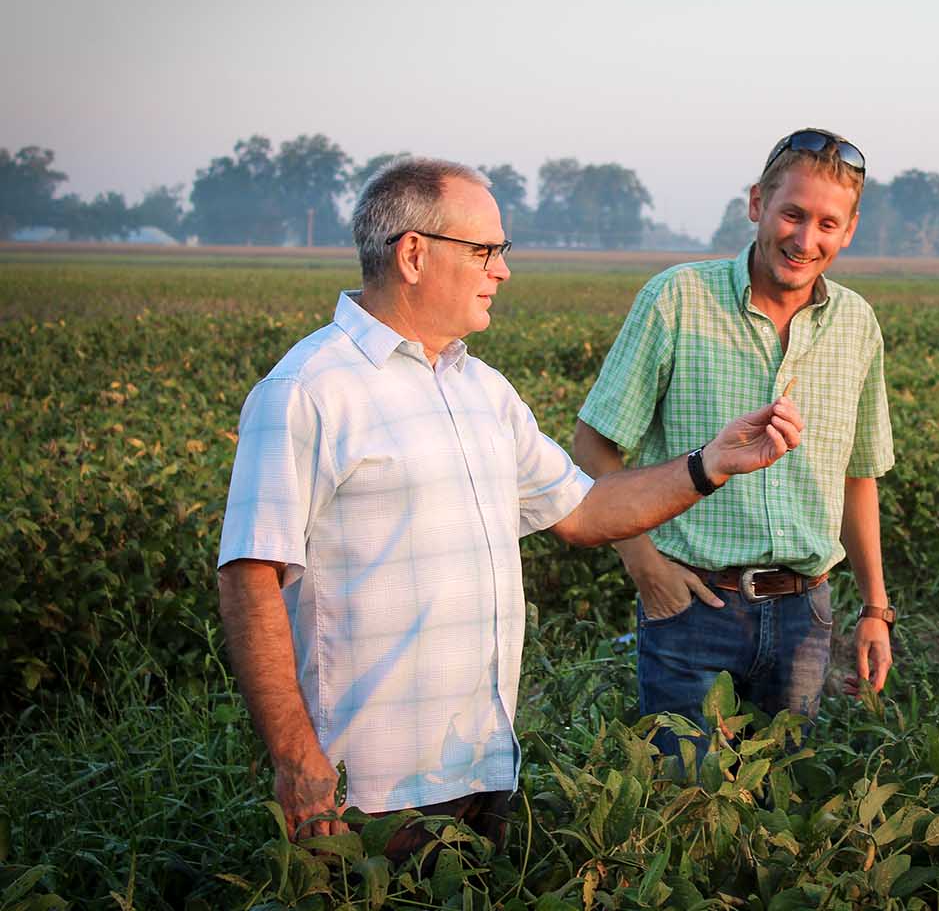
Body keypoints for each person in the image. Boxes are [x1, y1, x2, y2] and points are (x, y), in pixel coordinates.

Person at [216, 157, 803, 857]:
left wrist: (710, 465)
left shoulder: (482, 390)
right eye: (486, 250)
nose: (502, 271)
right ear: (413, 253)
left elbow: (585, 512)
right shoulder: (310, 390)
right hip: (364, 786)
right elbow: (249, 575)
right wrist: (294, 757)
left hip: (481, 764)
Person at [572, 128, 895, 752]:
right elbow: (595, 444)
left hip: (807, 612)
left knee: (780, 812)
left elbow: (860, 475)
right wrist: (645, 566)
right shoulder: (678, 299)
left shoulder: (856, 323)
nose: (805, 240)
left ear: (849, 230)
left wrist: (876, 610)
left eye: (827, 224)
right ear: (757, 205)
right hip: (693, 605)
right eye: (792, 215)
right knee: (683, 810)